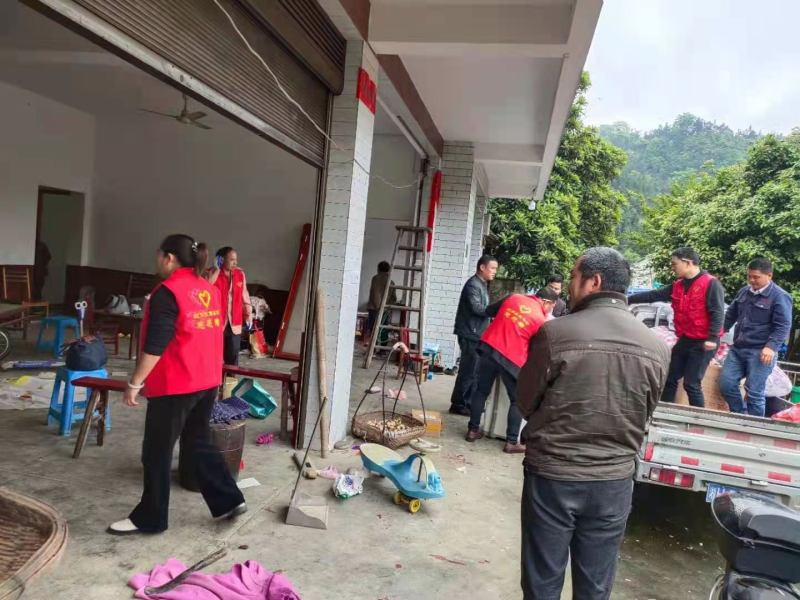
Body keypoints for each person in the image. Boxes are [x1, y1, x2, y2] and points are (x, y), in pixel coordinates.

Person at [516, 247, 670, 600]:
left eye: (573, 277)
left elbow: (525, 402)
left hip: (554, 477)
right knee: (595, 587)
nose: (569, 286)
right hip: (614, 481)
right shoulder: (657, 347)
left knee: (542, 582)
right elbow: (646, 410)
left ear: (594, 281)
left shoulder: (555, 334)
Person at [108, 234, 246, 535]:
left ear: (169, 258)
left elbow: (155, 345)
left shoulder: (167, 292)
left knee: (156, 452)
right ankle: (230, 499)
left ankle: (151, 517)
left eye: (159, 255)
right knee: (198, 443)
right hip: (207, 381)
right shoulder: (207, 289)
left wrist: (135, 382)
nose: (157, 261)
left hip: (176, 384)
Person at [628, 247, 725, 407]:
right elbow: (655, 295)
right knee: (670, 377)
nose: (672, 267)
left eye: (675, 264)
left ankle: (698, 418)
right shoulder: (678, 285)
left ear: (687, 263)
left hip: (704, 341)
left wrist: (712, 338)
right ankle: (666, 411)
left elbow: (717, 312)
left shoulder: (710, 284)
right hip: (686, 338)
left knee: (691, 383)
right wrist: (628, 299)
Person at [465, 287, 559, 453]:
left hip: (489, 347)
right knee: (517, 400)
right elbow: (535, 349)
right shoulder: (540, 320)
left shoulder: (513, 297)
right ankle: (511, 442)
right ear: (546, 302)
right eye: (552, 306)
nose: (551, 310)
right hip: (510, 358)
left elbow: (489, 311)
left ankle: (472, 431)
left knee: (481, 391)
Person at [720, 258, 792, 417]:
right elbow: (730, 315)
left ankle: (755, 426)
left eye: (756, 277)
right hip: (738, 348)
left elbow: (783, 325)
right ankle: (738, 416)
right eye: (749, 276)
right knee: (726, 385)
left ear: (769, 275)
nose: (752, 280)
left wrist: (771, 347)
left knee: (754, 392)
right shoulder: (744, 292)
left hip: (760, 352)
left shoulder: (780, 296)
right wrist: (715, 334)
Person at [449, 254, 498, 416]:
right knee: (468, 370)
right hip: (470, 333)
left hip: (476, 334)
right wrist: (497, 308)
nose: (494, 272)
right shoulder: (473, 284)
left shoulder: (482, 284)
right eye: (492, 268)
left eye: (496, 269)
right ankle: (458, 404)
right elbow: (477, 308)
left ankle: (469, 403)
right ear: (482, 267)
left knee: (475, 371)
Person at [206, 247, 253, 366]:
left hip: (234, 321)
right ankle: (216, 378)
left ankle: (231, 378)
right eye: (232, 260)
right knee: (213, 355)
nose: (235, 263)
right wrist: (216, 271)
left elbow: (244, 296)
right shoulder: (209, 273)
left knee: (233, 354)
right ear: (221, 260)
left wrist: (248, 316)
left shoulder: (240, 274)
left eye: (236, 260)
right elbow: (205, 289)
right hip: (216, 322)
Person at [366, 261, 397, 346]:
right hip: (385, 308)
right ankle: (383, 348)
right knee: (383, 328)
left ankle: (373, 347)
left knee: (373, 328)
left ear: (378, 269)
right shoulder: (391, 281)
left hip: (374, 308)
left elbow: (375, 293)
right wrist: (386, 307)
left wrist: (378, 306)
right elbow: (393, 298)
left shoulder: (375, 278)